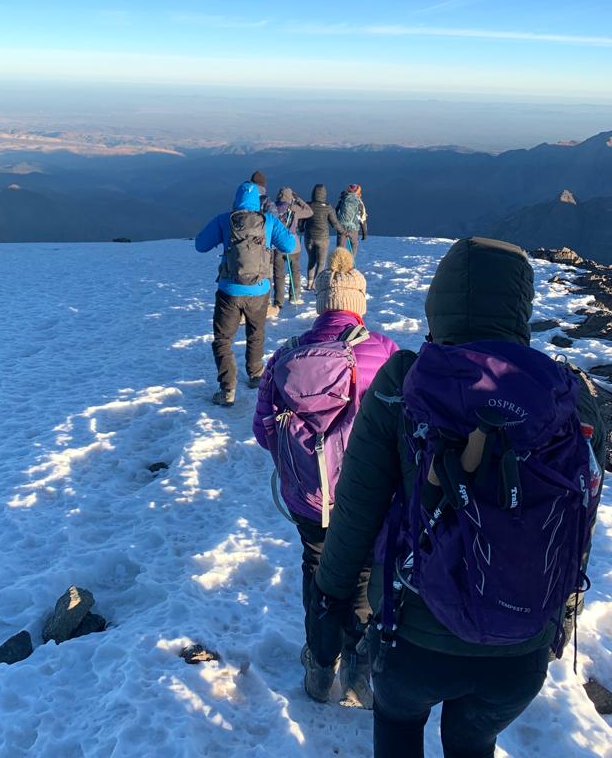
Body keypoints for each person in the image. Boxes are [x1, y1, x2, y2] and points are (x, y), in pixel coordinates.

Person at [303, 237, 605, 757]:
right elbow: (581, 515)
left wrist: (331, 600)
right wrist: (565, 610)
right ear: (521, 305)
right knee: (473, 740)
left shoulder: (405, 381)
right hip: (520, 646)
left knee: (398, 725)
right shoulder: (565, 395)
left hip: (414, 636)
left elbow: (357, 508)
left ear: (438, 301)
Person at [254, 247, 398, 707]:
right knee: (360, 574)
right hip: (367, 496)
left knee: (316, 570)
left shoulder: (285, 357)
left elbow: (262, 430)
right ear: (358, 304)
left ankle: (320, 668)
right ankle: (359, 671)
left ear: (320, 305)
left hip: (308, 497)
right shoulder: (384, 352)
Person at [195, 181, 296, 407]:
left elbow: (200, 245)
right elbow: (290, 245)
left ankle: (227, 389)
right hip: (259, 289)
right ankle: (255, 374)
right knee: (256, 331)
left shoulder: (224, 220)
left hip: (229, 290)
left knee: (223, 339)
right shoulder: (268, 221)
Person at [271, 187, 312, 310]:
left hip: (277, 245)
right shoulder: (294, 209)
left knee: (278, 274)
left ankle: (279, 301)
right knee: (295, 271)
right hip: (293, 245)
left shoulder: (272, 208)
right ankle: (294, 296)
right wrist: (298, 199)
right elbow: (309, 212)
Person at [300, 184, 344, 288]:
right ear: (324, 195)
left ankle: (309, 283)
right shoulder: (328, 207)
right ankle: (316, 283)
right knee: (321, 262)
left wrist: (301, 228)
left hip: (309, 237)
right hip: (323, 238)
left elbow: (301, 221)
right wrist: (343, 232)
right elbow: (335, 223)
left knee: (311, 260)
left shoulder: (308, 205)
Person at [335, 184, 368, 254]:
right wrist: (364, 233)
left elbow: (335, 212)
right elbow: (363, 219)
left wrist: (336, 225)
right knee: (354, 245)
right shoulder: (359, 202)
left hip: (341, 227)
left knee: (340, 247)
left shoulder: (343, 199)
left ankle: (339, 263)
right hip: (353, 228)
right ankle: (350, 262)